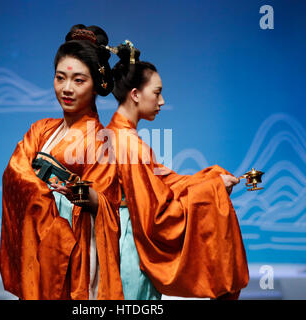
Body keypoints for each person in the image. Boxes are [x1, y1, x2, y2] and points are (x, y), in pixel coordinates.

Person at [106, 42, 249, 299]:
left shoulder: (119, 135)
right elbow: (157, 214)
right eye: (157, 92)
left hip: (120, 239)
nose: (162, 101)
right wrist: (212, 190)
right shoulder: (128, 144)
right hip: (128, 246)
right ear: (136, 94)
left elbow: (164, 182)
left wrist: (210, 180)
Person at [0, 24, 124, 300]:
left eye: (79, 80)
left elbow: (106, 202)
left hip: (76, 247)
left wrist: (83, 194)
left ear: (96, 85)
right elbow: (14, 172)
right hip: (39, 242)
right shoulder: (41, 129)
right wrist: (44, 196)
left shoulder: (101, 140)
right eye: (60, 78)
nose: (66, 89)